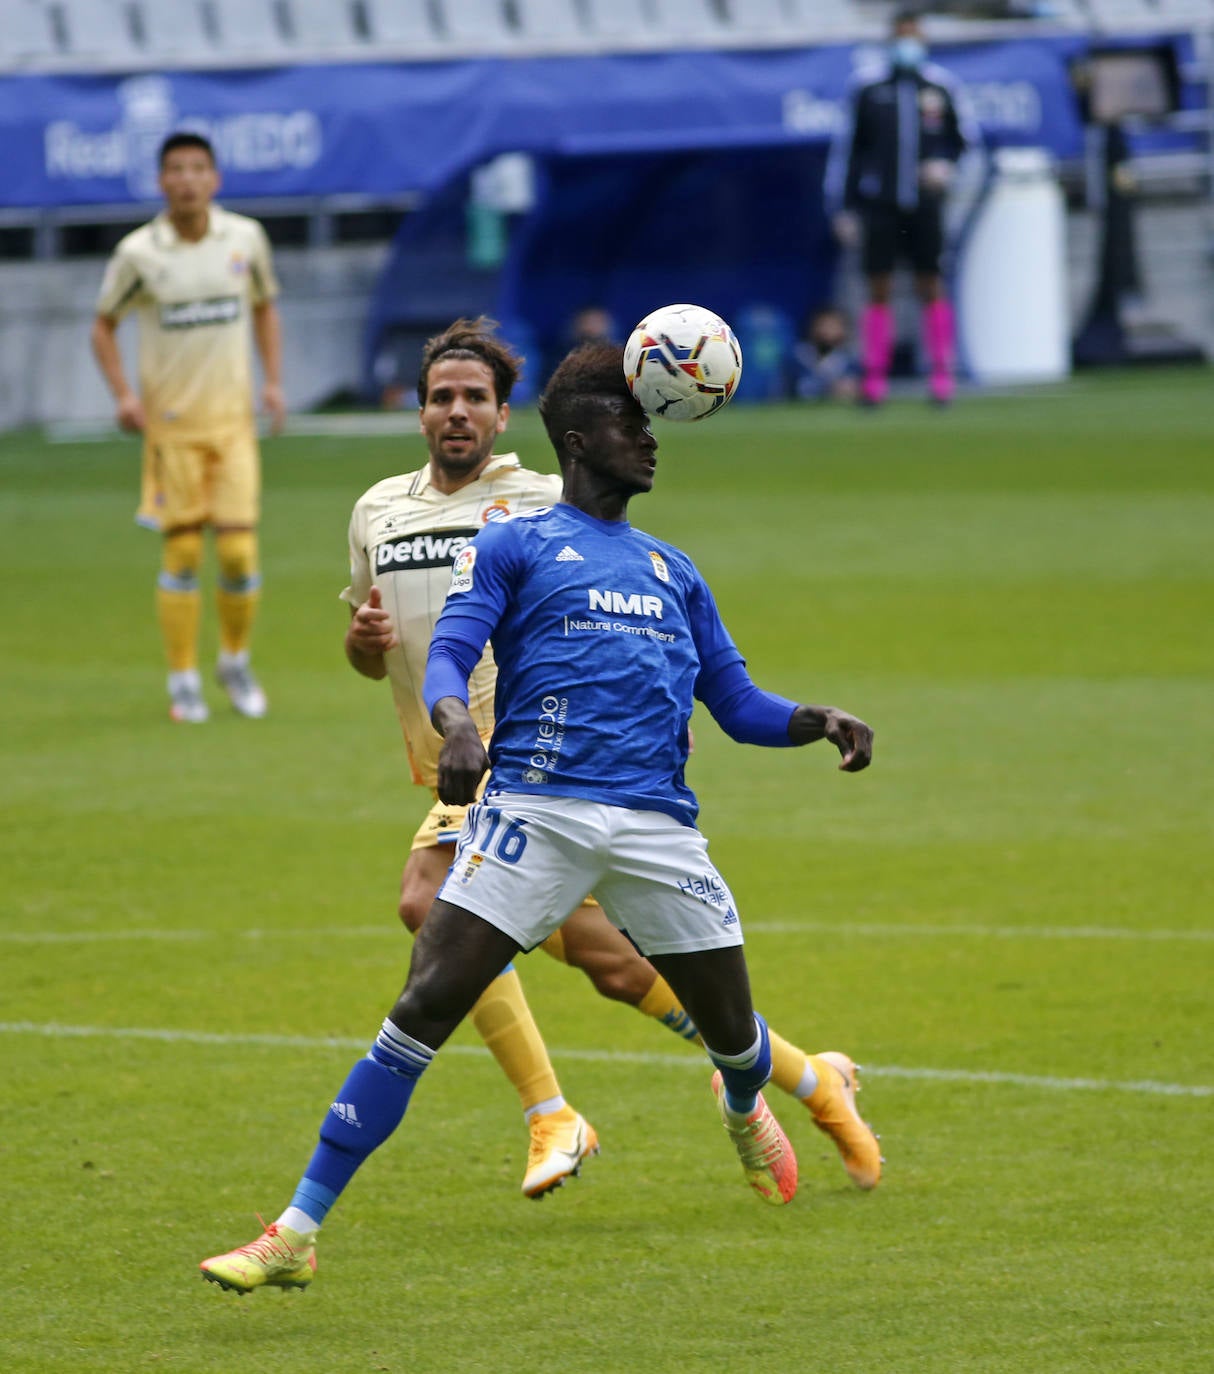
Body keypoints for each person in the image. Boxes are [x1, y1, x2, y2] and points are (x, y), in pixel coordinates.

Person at [200, 338, 879, 1293]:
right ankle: (295, 1233)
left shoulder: (673, 568)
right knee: (420, 1009)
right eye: (631, 423)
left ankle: (741, 1105)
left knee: (732, 1033)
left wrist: (816, 720)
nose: (651, 439)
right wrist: (455, 726)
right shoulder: (514, 544)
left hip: (656, 830)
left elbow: (736, 706)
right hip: (533, 816)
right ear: (579, 439)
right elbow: (450, 654)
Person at [91, 131, 285, 724]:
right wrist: (124, 396)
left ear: (215, 178)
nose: (187, 179)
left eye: (198, 168)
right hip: (172, 428)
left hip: (232, 425)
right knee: (181, 551)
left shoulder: (245, 238)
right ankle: (182, 678)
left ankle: (234, 661)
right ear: (161, 181)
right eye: (175, 169)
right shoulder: (139, 253)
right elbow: (102, 326)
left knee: (238, 552)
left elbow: (264, 307)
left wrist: (273, 382)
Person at [824, 8, 979, 406]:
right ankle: (875, 377)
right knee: (879, 286)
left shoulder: (941, 87)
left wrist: (945, 169)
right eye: (901, 36)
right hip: (881, 204)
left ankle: (941, 374)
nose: (907, 44)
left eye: (914, 36)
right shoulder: (869, 88)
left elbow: (965, 145)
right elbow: (849, 151)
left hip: (925, 205)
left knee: (931, 284)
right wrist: (844, 206)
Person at [793, 306, 861, 403]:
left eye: (833, 326)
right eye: (823, 325)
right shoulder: (800, 355)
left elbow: (854, 387)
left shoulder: (848, 360)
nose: (827, 331)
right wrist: (829, 388)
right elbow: (802, 388)